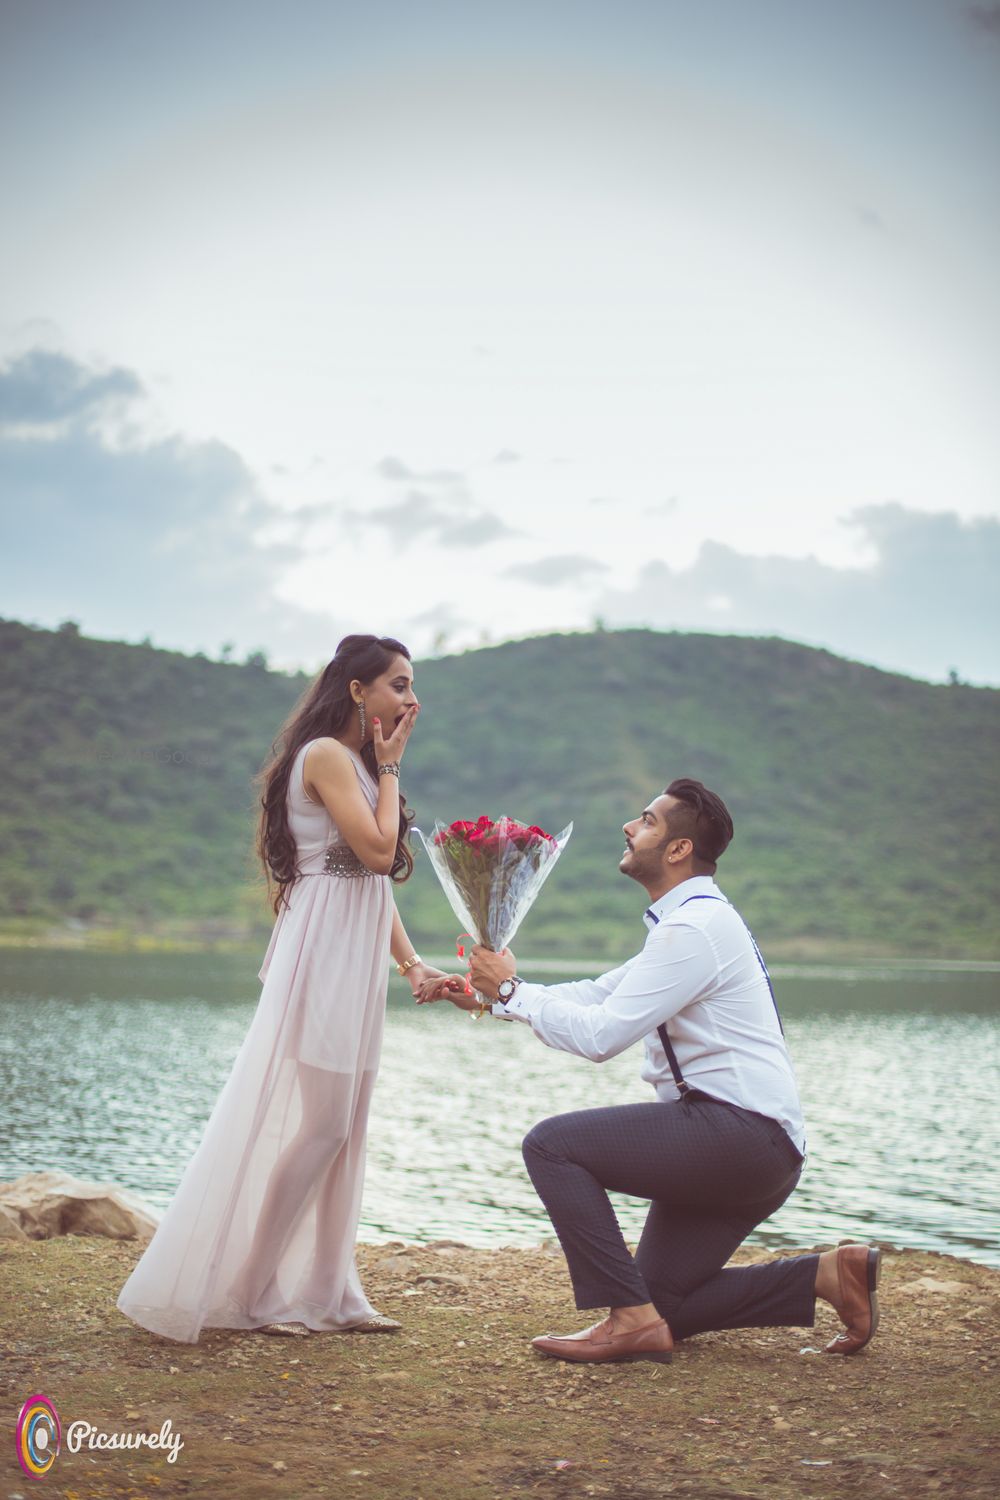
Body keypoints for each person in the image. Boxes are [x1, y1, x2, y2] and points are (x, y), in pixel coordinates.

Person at [418, 779, 880, 1365]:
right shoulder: (687, 923)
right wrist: (489, 997)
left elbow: (602, 1036)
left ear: (679, 849)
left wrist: (510, 988)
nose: (629, 827)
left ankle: (628, 1320)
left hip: (739, 1136)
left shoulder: (693, 930)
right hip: (754, 1144)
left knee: (552, 1146)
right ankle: (826, 1276)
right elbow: (595, 995)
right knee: (665, 1308)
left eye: (647, 821)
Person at [117, 634, 446, 1342]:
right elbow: (380, 855)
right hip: (322, 954)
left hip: (355, 954)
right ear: (357, 690)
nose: (410, 698)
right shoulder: (329, 756)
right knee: (325, 1124)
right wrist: (390, 768)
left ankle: (331, 1290)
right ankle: (253, 1289)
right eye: (397, 683)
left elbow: (369, 885)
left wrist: (411, 964)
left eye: (411, 685)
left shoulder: (358, 765)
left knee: (346, 1127)